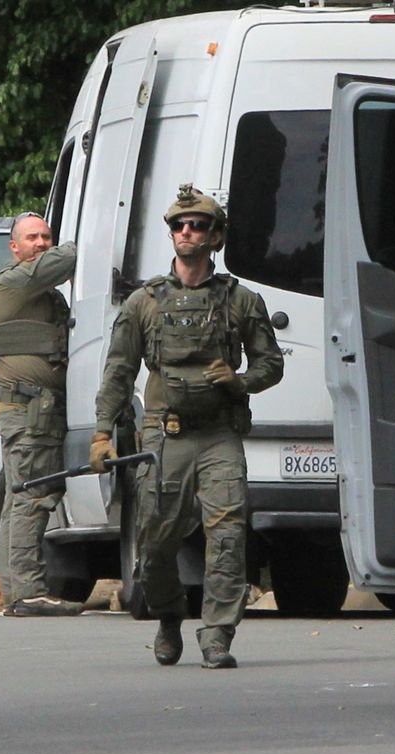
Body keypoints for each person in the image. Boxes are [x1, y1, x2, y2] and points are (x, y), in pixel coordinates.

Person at [91, 184, 284, 668]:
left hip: (219, 434)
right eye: (179, 225)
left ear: (216, 237)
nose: (187, 232)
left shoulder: (241, 301)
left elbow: (272, 363)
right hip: (165, 434)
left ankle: (217, 633)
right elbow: (118, 370)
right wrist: (101, 432)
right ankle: (169, 615)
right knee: (154, 543)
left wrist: (239, 381)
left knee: (228, 534)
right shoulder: (145, 302)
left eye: (198, 225)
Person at [0, 212, 83, 617]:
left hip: (25, 409)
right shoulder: (15, 282)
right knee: (34, 496)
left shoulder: (31, 291)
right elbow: (65, 261)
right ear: (14, 247)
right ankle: (28, 591)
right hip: (29, 411)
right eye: (33, 238)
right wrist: (82, 242)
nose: (42, 244)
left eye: (47, 236)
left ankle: (14, 588)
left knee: (18, 499)